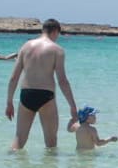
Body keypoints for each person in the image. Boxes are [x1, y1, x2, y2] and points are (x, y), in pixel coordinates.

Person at [5, 18, 78, 150]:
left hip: (26, 93)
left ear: (43, 30)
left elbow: (13, 78)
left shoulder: (26, 46)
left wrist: (9, 102)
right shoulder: (57, 50)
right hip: (46, 96)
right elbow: (62, 81)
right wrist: (72, 106)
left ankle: (11, 166)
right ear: (56, 31)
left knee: (19, 138)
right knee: (51, 142)